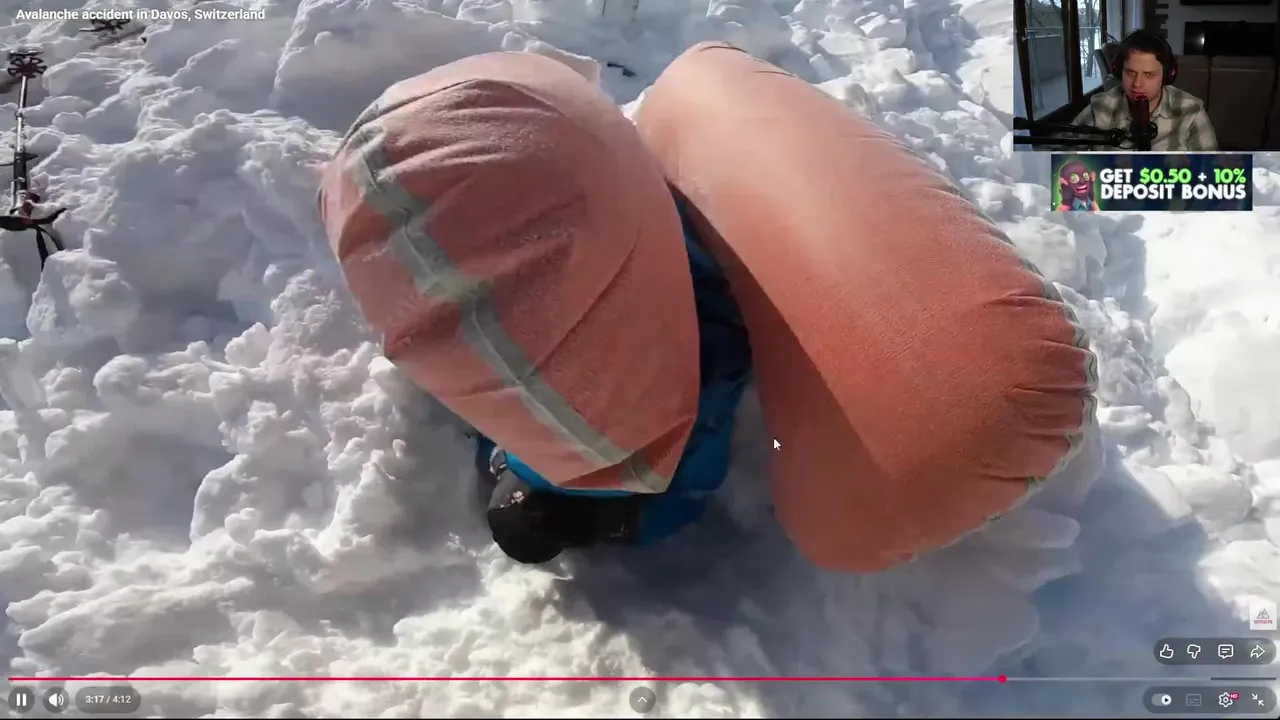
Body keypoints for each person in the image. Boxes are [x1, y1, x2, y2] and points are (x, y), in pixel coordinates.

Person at [477, 194, 754, 564]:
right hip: (629, 242)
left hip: (707, 301)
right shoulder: (522, 426)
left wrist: (624, 523)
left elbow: (693, 493)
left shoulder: (651, 467)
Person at [1071, 29, 1217, 151]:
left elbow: (1209, 169)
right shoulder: (1100, 106)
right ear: (1119, 71)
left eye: (1149, 75)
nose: (1137, 84)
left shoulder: (1191, 110)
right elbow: (1061, 155)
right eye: (1130, 72)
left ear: (1167, 75)